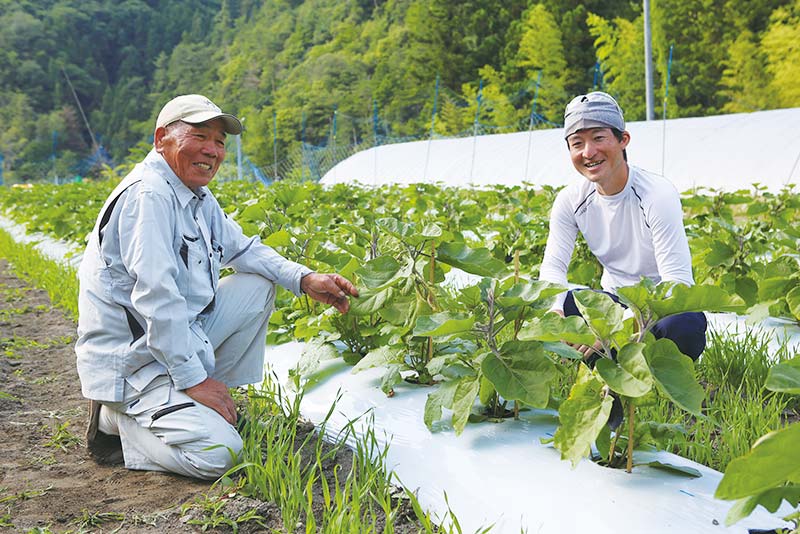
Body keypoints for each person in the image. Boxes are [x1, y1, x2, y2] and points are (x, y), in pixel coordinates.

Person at [77, 94, 358, 480]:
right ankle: (116, 422)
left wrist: (305, 279)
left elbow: (241, 248)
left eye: (220, 142)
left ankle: (197, 403)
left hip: (171, 344)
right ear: (161, 139)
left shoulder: (194, 195)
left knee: (259, 285)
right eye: (200, 136)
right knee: (220, 454)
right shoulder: (149, 195)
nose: (212, 150)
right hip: (134, 363)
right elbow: (157, 299)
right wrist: (195, 380)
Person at [539, 91, 707, 363]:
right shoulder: (571, 199)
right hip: (613, 302)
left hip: (659, 308)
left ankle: (625, 358)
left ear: (623, 140)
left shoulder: (656, 194)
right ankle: (607, 356)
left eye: (598, 138)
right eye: (577, 143)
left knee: (683, 324)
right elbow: (553, 267)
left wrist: (614, 330)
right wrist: (555, 312)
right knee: (566, 301)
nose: (588, 152)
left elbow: (677, 283)